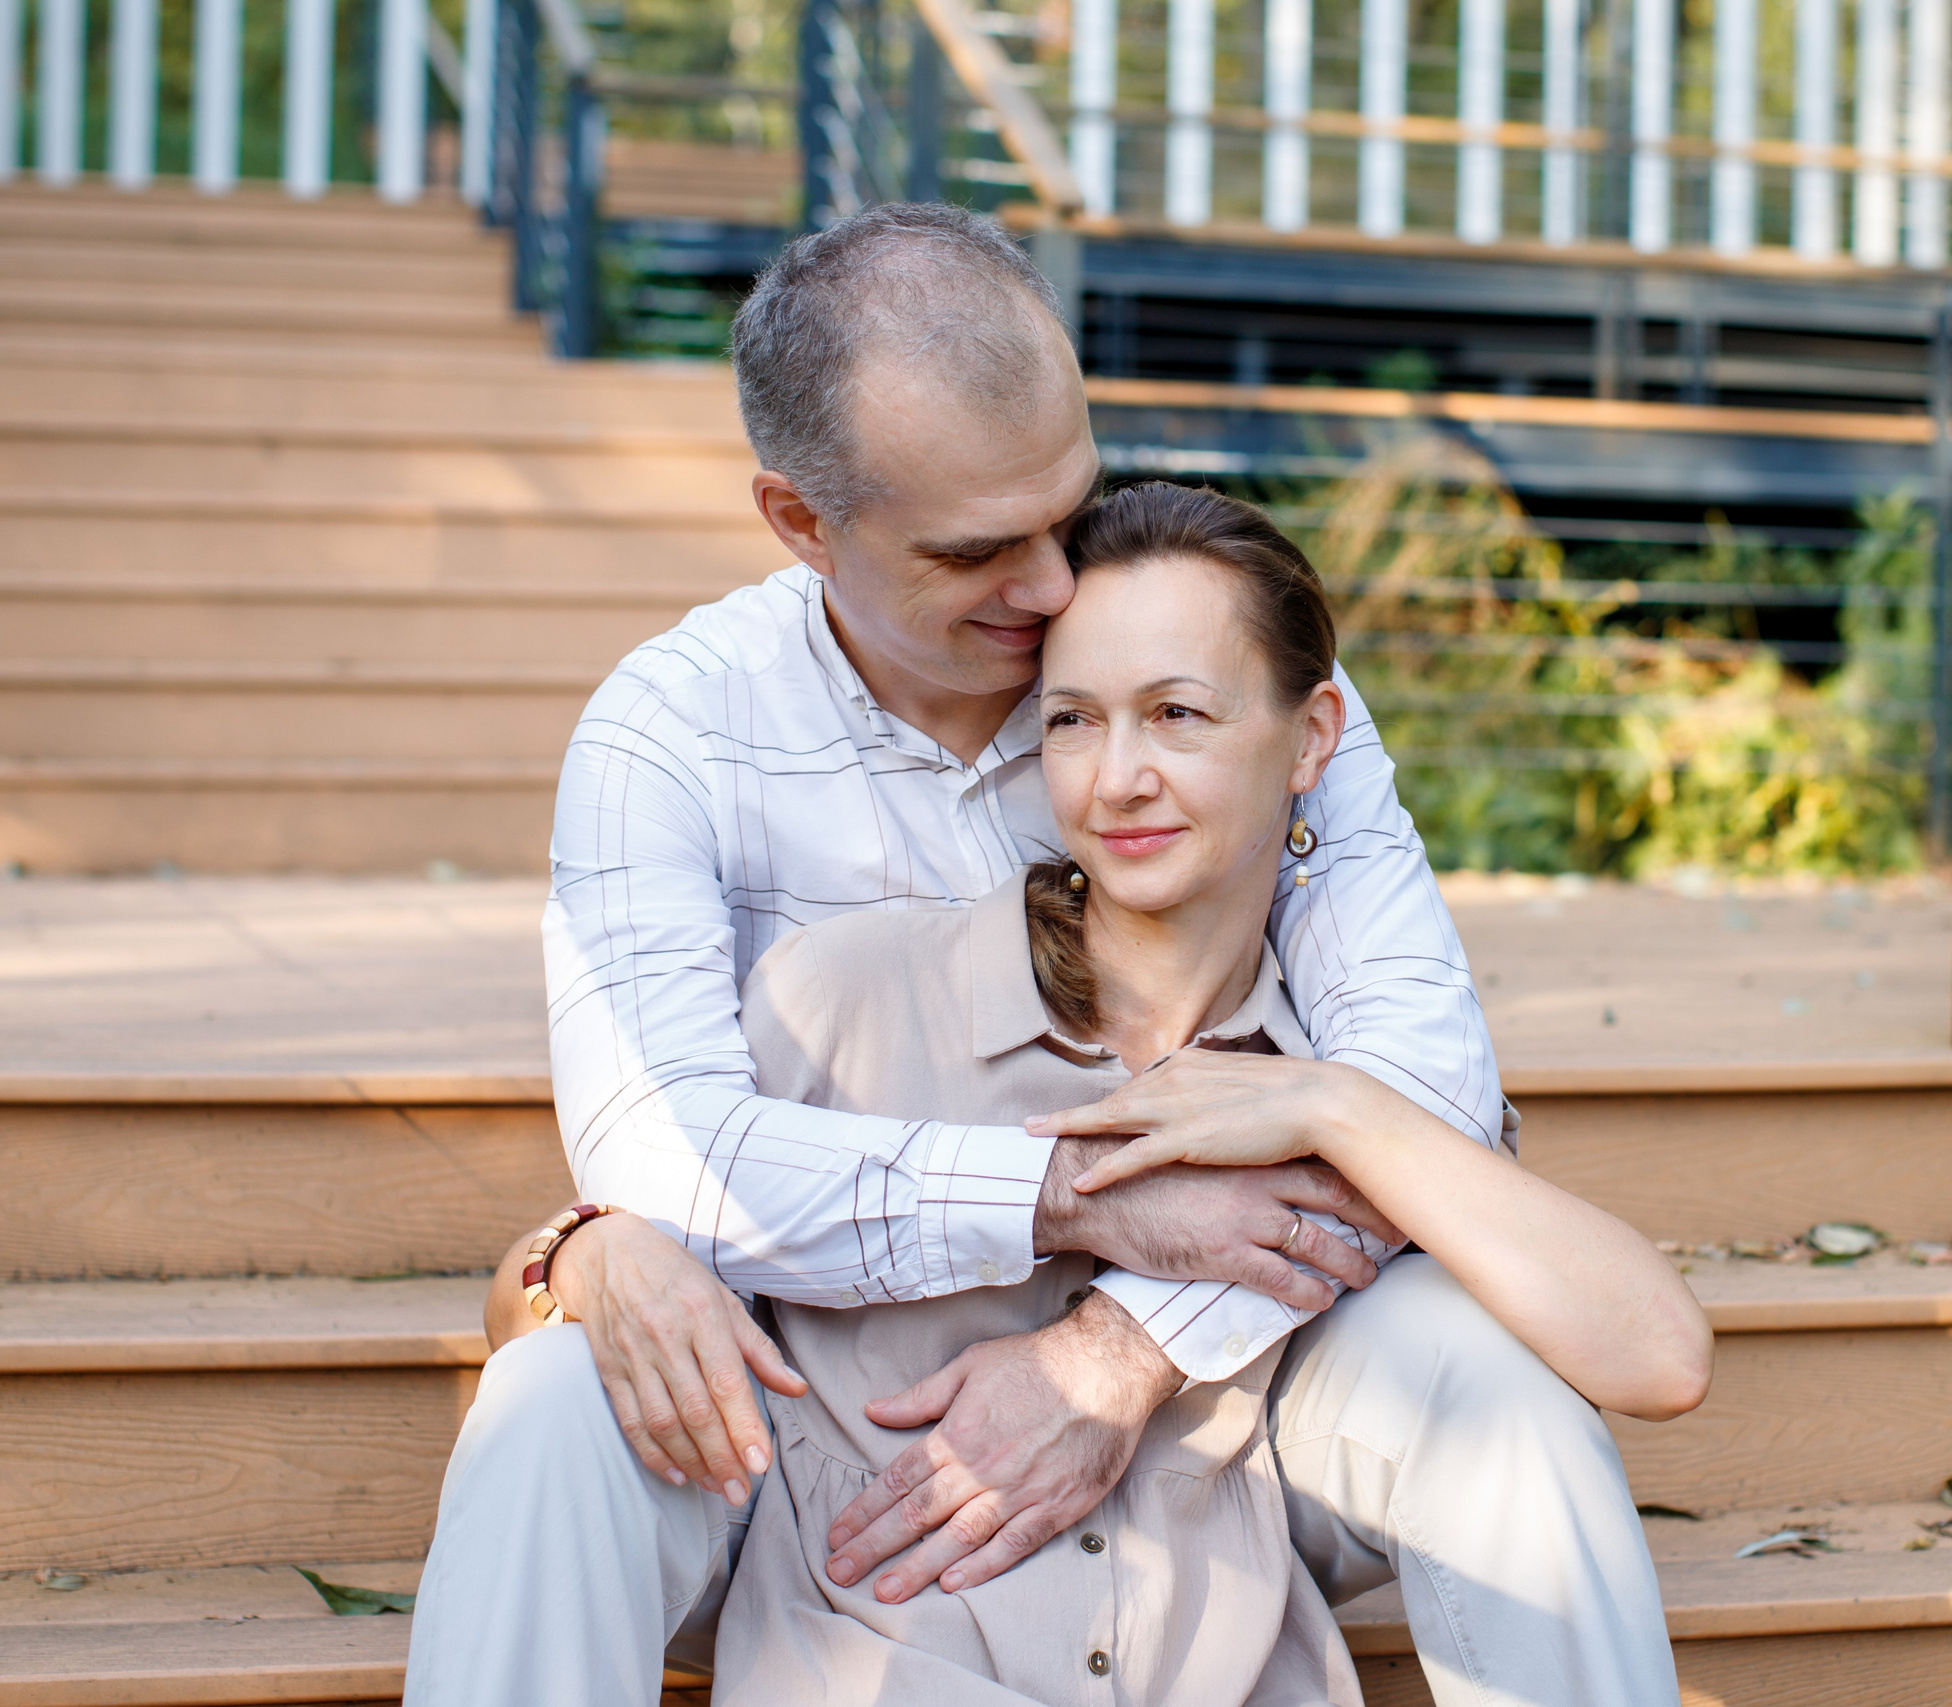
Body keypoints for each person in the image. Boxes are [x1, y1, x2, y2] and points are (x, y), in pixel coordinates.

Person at [404, 203, 1698, 1707]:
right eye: (975, 550)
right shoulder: (671, 732)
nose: (1045, 587)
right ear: (801, 522)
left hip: (1240, 1382)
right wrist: (1076, 1202)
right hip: (837, 1424)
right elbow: (674, 1157)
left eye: (1064, 507)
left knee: (1491, 1383)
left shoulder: (1205, 662)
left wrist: (1119, 1351)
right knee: (552, 1396)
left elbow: (1421, 1089)